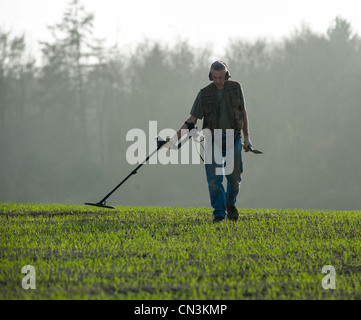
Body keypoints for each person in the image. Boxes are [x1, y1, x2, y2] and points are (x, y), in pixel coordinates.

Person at [167, 61, 252, 223]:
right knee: (214, 179)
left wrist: (247, 137)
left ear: (226, 75)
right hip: (212, 139)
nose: (218, 80)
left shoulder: (236, 88)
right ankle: (219, 213)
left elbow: (243, 112)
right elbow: (192, 120)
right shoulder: (204, 94)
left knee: (234, 179)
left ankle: (230, 205)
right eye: (215, 77)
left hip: (233, 137)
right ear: (210, 76)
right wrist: (173, 141)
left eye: (221, 77)